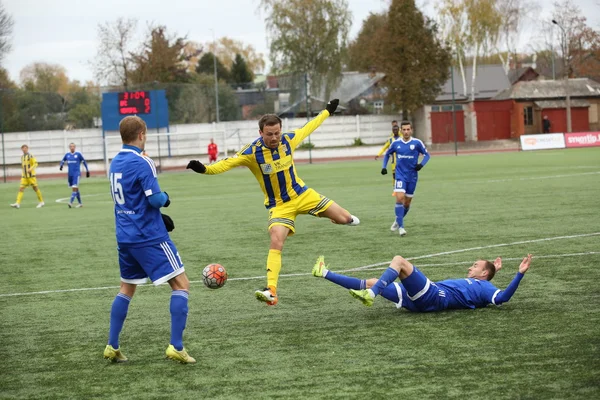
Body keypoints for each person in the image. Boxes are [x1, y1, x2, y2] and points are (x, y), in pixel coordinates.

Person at [186, 99, 360, 306]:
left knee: (347, 219)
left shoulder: (289, 140)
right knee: (276, 239)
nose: (274, 137)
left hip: (303, 195)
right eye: (269, 134)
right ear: (261, 133)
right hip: (280, 206)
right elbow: (226, 163)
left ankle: (333, 217)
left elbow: (310, 126)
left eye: (277, 132)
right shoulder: (251, 152)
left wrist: (327, 111)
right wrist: (204, 169)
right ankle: (271, 290)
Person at [104, 116, 195, 364]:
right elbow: (155, 199)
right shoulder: (142, 161)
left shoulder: (115, 162)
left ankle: (112, 345)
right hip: (148, 236)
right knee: (182, 284)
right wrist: (166, 199)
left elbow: (132, 199)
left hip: (125, 237)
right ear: (142, 134)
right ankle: (176, 346)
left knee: (126, 287)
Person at [311, 254, 532, 311]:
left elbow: (501, 298)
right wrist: (494, 270)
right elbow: (486, 282)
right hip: (417, 303)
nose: (469, 267)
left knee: (399, 262)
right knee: (371, 281)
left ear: (483, 274)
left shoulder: (485, 287)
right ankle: (324, 272)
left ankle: (372, 295)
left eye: (475, 266)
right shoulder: (482, 283)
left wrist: (519, 273)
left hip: (433, 296)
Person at [381, 121, 430, 236]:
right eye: (404, 130)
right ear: (401, 131)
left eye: (408, 129)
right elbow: (387, 154)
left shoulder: (417, 143)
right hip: (400, 175)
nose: (406, 132)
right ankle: (401, 227)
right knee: (399, 198)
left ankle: (398, 220)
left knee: (407, 204)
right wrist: (384, 167)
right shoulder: (396, 143)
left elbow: (427, 155)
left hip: (412, 177)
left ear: (411, 130)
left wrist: (421, 165)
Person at [10, 145, 44, 209]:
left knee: (35, 188)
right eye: (23, 148)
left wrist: (31, 169)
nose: (24, 149)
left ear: (27, 149)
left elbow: (36, 163)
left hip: (31, 176)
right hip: (24, 177)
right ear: (21, 149)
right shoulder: (22, 157)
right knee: (21, 188)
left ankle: (41, 202)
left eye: (25, 148)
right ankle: (17, 203)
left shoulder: (31, 156)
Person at [59, 143, 90, 208]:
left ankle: (70, 202)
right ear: (69, 147)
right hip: (70, 174)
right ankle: (80, 203)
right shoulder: (67, 155)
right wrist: (61, 165)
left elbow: (84, 161)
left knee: (74, 187)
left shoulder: (78, 154)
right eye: (71, 146)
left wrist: (87, 170)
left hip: (77, 174)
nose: (72, 147)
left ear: (75, 147)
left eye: (73, 146)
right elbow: (63, 160)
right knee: (76, 188)